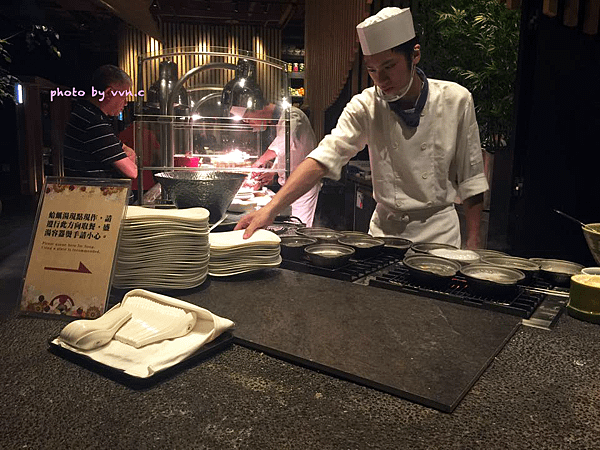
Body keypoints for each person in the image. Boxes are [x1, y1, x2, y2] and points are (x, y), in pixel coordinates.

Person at [236, 7, 489, 249]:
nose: (381, 80)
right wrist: (269, 210)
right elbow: (324, 157)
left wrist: (474, 244)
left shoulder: (456, 100)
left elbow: (471, 179)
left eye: (389, 67)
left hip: (439, 238)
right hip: (384, 235)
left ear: (415, 55)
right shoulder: (366, 105)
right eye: (372, 70)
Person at [238, 102, 320, 227]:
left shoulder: (292, 115)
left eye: (248, 119)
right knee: (288, 225)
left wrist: (260, 161)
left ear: (258, 110)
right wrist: (273, 171)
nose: (250, 124)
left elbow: (284, 142)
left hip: (303, 185)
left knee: (298, 228)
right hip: (289, 185)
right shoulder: (281, 121)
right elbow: (286, 151)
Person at [63, 64, 138, 180]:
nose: (126, 102)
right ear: (108, 93)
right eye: (124, 96)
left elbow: (125, 149)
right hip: (95, 195)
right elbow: (131, 172)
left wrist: (127, 152)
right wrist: (128, 157)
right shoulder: (94, 122)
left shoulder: (84, 112)